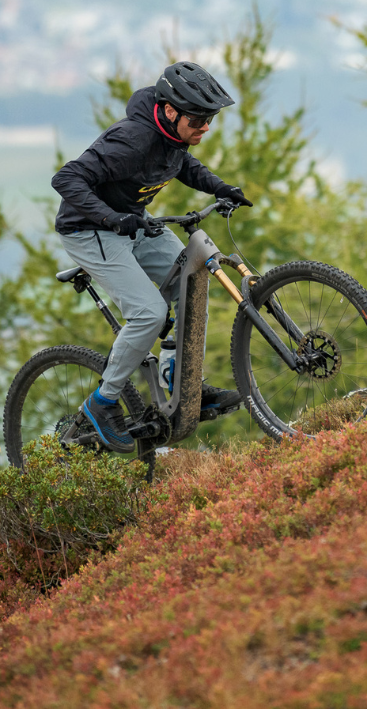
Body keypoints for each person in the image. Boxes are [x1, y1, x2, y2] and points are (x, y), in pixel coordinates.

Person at [51, 61, 252, 452]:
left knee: (192, 282)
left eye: (210, 119)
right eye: (199, 120)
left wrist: (220, 188)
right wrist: (111, 217)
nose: (205, 127)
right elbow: (66, 178)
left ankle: (181, 382)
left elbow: (182, 165)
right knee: (148, 313)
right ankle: (102, 403)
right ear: (171, 112)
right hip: (89, 230)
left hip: (133, 224)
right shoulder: (131, 140)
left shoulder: (172, 136)